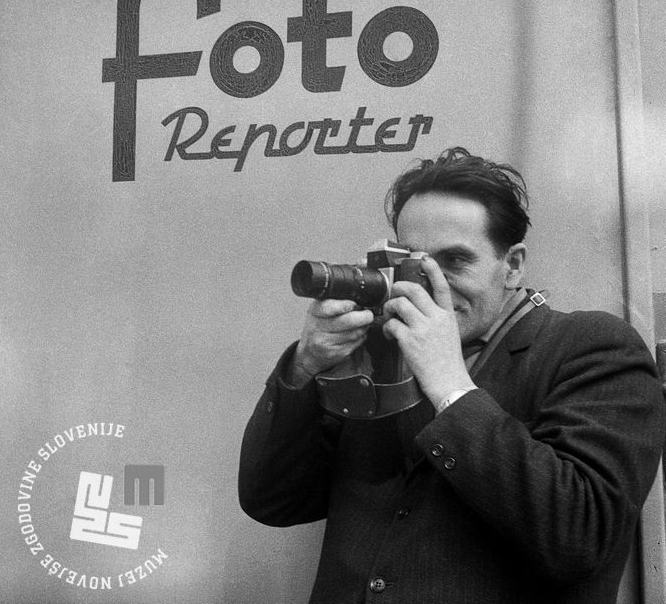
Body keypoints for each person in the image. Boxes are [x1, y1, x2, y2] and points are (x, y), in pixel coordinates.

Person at [238, 147, 665, 604]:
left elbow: (579, 536)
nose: (430, 283)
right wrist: (305, 367)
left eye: (455, 261)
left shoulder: (592, 346)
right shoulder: (382, 352)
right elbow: (273, 501)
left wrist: (451, 387)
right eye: (414, 262)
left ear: (513, 265)